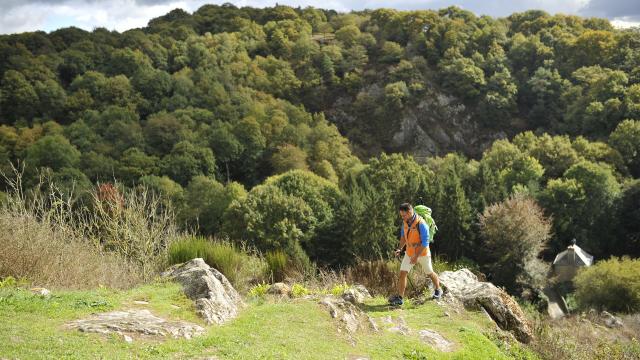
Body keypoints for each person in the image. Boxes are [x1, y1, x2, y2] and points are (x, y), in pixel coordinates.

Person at [388, 203, 442, 306]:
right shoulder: (404, 223)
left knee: (429, 272)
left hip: (422, 253)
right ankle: (400, 298)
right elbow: (404, 238)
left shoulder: (421, 224)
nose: (402, 217)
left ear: (409, 212)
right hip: (409, 253)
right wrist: (399, 249)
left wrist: (416, 256)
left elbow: (425, 243)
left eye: (403, 215)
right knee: (403, 273)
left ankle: (438, 289)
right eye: (401, 215)